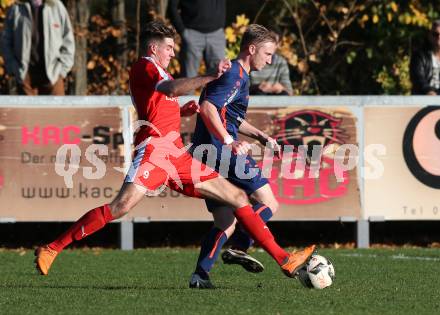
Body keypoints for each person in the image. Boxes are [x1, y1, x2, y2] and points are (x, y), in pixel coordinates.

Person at [34, 21, 315, 282]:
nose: (172, 52)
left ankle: (285, 259)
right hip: (155, 151)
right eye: (168, 47)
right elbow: (168, 88)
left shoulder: (159, 70)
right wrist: (208, 76)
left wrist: (182, 109)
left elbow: (160, 104)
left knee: (237, 196)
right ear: (153, 48)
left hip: (177, 154)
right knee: (120, 207)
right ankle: (51, 248)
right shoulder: (145, 66)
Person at [188, 24, 302, 289]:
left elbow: (231, 118)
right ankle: (240, 246)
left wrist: (260, 136)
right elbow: (207, 108)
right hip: (220, 151)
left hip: (205, 153)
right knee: (268, 201)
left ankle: (200, 276)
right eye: (267, 53)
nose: (270, 60)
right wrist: (229, 142)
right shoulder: (235, 76)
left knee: (224, 221)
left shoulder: (238, 75)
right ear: (252, 49)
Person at [1, 0, 75, 95]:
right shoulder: (16, 8)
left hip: (54, 77)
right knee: (27, 110)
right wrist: (15, 69)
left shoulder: (57, 7)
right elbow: (5, 42)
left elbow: (68, 40)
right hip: (26, 79)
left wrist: (62, 71)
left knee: (57, 110)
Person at [168, 0, 226, 80]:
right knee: (188, 80)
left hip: (217, 35)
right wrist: (182, 30)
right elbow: (172, 7)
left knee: (219, 79)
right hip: (192, 34)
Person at [249, 29, 293, 96]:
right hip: (255, 99)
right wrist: (257, 87)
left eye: (273, 41)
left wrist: (280, 88)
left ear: (278, 45)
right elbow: (240, 90)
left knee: (283, 94)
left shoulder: (281, 62)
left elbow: (289, 92)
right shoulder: (251, 60)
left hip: (277, 100)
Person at [410, 20, 440, 95]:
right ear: (429, 36)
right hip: (423, 98)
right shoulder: (419, 55)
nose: (438, 37)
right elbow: (418, 78)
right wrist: (428, 91)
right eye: (435, 34)